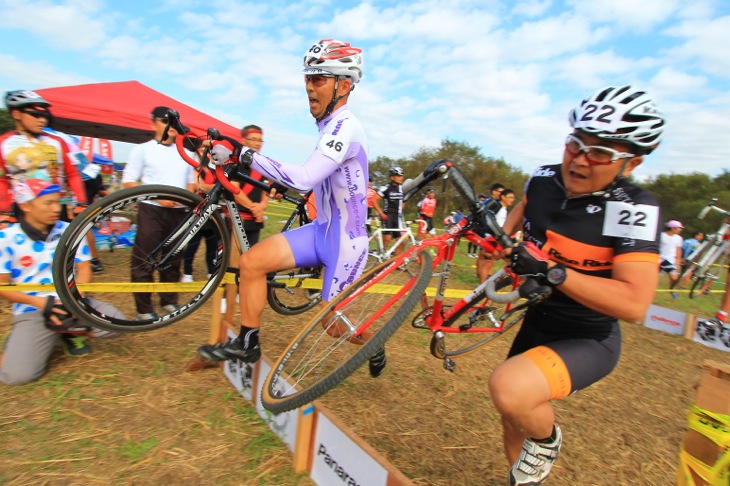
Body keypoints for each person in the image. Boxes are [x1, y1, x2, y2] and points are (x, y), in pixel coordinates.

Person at [488, 85, 665, 485]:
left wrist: (553, 270)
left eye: (600, 152)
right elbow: (524, 210)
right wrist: (503, 239)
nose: (579, 159)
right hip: (538, 320)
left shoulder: (631, 207)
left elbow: (635, 303)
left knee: (509, 389)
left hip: (589, 336)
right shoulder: (544, 179)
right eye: (575, 143)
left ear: (631, 163)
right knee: (513, 417)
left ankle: (548, 441)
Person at [196, 39, 382, 376]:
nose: (309, 87)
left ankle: (373, 341)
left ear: (344, 84)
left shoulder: (346, 125)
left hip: (346, 243)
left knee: (331, 325)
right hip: (320, 230)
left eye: (318, 79)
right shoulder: (327, 127)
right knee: (252, 263)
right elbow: (314, 179)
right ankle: (248, 342)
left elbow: (304, 177)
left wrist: (244, 154)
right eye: (307, 79)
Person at [0, 179, 125, 385]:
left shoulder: (71, 230)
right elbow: (2, 285)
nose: (56, 208)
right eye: (48, 203)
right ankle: (21, 342)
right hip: (33, 308)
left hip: (72, 300)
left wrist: (75, 298)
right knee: (17, 376)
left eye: (58, 202)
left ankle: (67, 331)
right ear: (25, 205)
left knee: (117, 324)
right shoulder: (6, 238)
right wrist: (43, 304)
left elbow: (84, 268)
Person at [122, 106, 196, 320]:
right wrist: (158, 198)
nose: (171, 126)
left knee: (173, 257)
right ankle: (144, 309)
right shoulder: (142, 150)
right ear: (153, 123)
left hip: (179, 213)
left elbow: (191, 183)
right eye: (165, 121)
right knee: (144, 259)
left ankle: (169, 301)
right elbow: (128, 181)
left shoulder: (186, 152)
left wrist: (185, 199)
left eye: (174, 122)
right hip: (151, 210)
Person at [0, 90, 88, 227]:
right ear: (16, 114)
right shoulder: (3, 143)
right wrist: (3, 211)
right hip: (23, 209)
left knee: (85, 238)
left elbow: (72, 174)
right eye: (35, 115)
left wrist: (82, 202)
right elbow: (2, 180)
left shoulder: (57, 142)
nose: (42, 120)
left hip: (56, 208)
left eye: (44, 115)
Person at [476, 188, 515, 282]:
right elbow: (498, 227)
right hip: (494, 239)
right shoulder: (500, 208)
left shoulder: (503, 209)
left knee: (488, 261)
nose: (512, 200)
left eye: (513, 198)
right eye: (510, 197)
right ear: (503, 197)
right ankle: (483, 285)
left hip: (493, 238)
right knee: (489, 261)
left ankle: (483, 284)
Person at [378, 167, 406, 256]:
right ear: (392, 177)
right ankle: (380, 258)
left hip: (397, 217)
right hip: (388, 216)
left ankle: (395, 263)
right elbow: (374, 199)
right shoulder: (386, 187)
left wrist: (401, 210)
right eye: (398, 176)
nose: (401, 177)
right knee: (387, 240)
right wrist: (380, 212)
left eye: (401, 175)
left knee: (401, 242)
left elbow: (404, 201)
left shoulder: (402, 189)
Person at [659, 220, 684, 298]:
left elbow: (678, 249)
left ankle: (672, 290)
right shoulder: (661, 235)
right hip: (659, 258)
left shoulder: (679, 238)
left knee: (674, 276)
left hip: (670, 260)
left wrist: (678, 260)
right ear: (673, 228)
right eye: (679, 228)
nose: (681, 230)